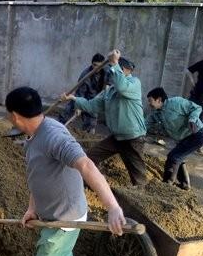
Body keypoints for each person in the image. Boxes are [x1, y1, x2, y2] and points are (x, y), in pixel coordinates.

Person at [5, 86, 126, 256]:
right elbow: (36, 177)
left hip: (65, 218)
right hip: (51, 212)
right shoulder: (33, 137)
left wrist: (113, 207)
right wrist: (32, 209)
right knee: (61, 255)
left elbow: (87, 166)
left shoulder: (54, 136)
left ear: (15, 116)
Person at [62, 50, 147, 186]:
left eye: (115, 69)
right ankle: (85, 183)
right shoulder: (109, 91)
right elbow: (91, 106)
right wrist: (73, 98)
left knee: (138, 177)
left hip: (133, 138)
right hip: (117, 137)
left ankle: (143, 201)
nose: (111, 72)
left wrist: (114, 63)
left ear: (125, 70)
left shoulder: (134, 83)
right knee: (90, 157)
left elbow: (122, 87)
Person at [146, 87, 203, 190]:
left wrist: (192, 119)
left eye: (150, 101)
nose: (149, 104)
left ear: (159, 100)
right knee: (178, 157)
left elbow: (197, 108)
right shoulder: (157, 114)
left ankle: (167, 184)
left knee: (173, 157)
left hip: (197, 134)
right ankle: (185, 184)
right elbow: (145, 123)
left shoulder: (176, 102)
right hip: (184, 137)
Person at [59, 53, 108, 134]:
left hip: (96, 98)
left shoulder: (107, 71)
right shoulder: (85, 75)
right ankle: (60, 128)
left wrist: (107, 87)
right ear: (91, 63)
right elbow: (80, 92)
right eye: (94, 65)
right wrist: (79, 107)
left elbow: (111, 81)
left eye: (99, 66)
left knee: (91, 122)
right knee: (68, 111)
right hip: (83, 96)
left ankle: (87, 135)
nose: (96, 68)